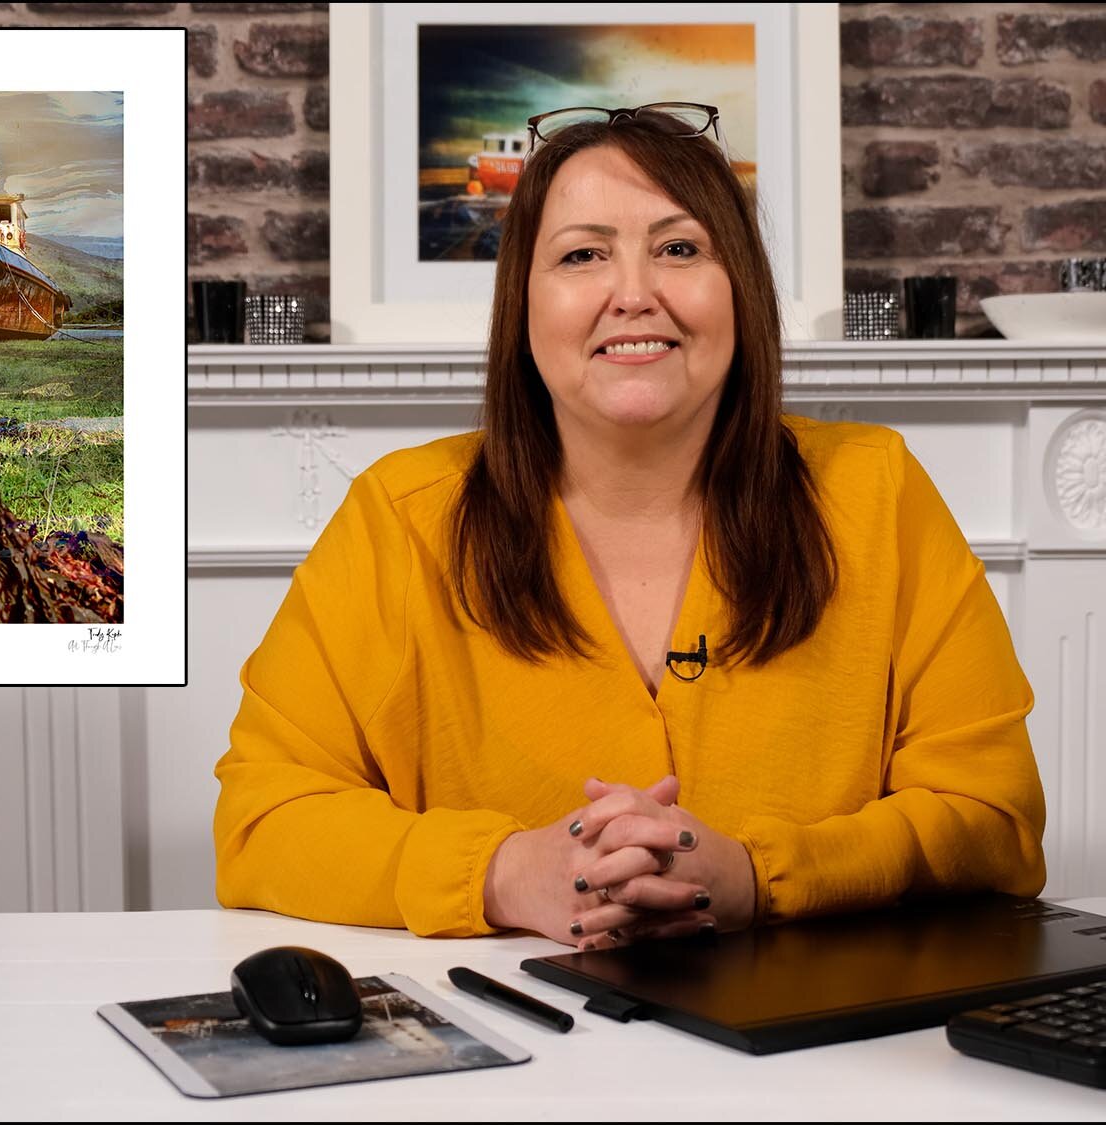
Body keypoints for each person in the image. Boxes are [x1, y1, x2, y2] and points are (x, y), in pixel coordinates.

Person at [213, 104, 1046, 950]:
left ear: (742, 289)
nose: (635, 294)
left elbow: (995, 817)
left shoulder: (879, 491)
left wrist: (764, 877)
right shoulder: (398, 520)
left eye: (680, 249)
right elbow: (261, 818)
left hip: (823, 1056)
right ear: (523, 305)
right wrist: (503, 873)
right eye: (583, 255)